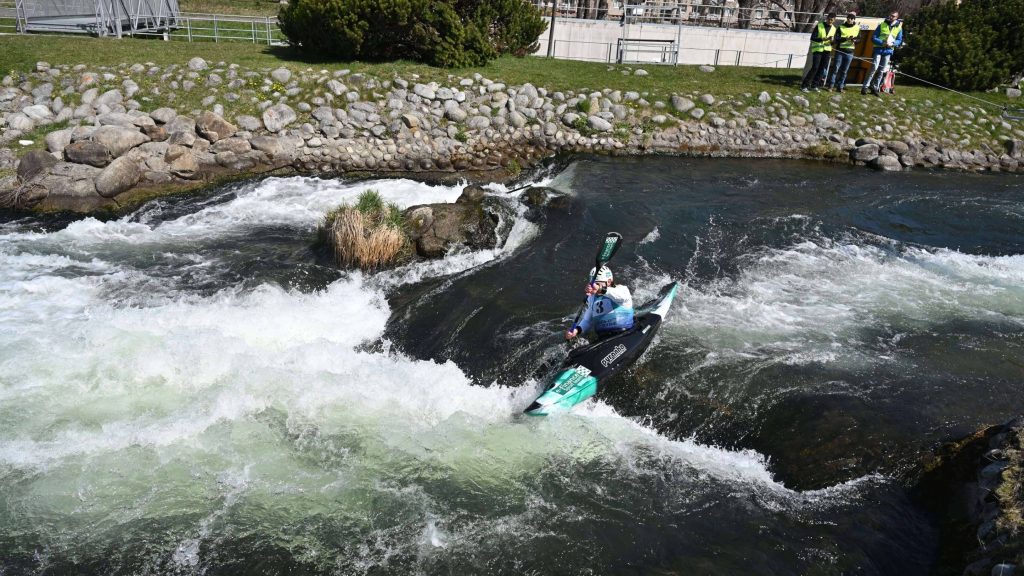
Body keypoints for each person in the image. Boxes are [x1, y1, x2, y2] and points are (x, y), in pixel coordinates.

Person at [565, 265, 634, 341]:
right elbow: (587, 321)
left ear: (609, 281)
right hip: (603, 338)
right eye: (592, 284)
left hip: (625, 333)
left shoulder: (622, 289)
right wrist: (576, 331)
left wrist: (600, 289)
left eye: (597, 284)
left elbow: (621, 296)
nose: (594, 286)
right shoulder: (592, 298)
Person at [862, 10, 903, 96]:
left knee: (881, 70)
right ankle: (865, 86)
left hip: (888, 51)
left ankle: (875, 88)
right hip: (878, 49)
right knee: (874, 68)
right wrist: (882, 43)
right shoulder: (882, 25)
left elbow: (899, 40)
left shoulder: (899, 28)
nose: (891, 17)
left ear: (897, 17)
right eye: (890, 15)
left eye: (893, 16)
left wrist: (893, 43)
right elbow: (873, 38)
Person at [801, 12, 837, 93]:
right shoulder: (819, 25)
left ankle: (814, 85)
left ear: (834, 20)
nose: (830, 21)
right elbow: (813, 38)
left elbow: (834, 42)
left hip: (827, 50)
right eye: (829, 19)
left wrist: (832, 41)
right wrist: (822, 39)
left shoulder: (834, 29)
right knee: (815, 68)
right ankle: (804, 85)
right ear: (827, 18)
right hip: (818, 50)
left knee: (822, 69)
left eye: (832, 20)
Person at [825, 12, 860, 93]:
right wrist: (845, 39)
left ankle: (840, 87)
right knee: (835, 69)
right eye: (848, 18)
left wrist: (854, 40)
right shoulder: (841, 27)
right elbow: (836, 39)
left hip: (850, 52)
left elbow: (859, 39)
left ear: (854, 19)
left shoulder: (857, 28)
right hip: (840, 51)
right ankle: (830, 86)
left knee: (845, 70)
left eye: (851, 18)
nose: (849, 19)